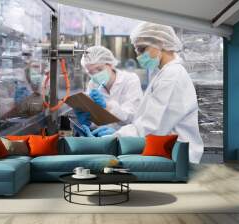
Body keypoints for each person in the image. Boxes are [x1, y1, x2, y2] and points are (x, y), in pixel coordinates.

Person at [83, 22, 204, 163]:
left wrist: (116, 136)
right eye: (137, 51)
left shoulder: (172, 76)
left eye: (142, 49)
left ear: (160, 41)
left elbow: (152, 126)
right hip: (167, 150)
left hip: (174, 155)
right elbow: (147, 120)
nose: (139, 56)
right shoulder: (163, 74)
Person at [75, 46, 143, 136]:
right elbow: (97, 120)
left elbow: (132, 116)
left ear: (110, 64)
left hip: (127, 139)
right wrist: (87, 122)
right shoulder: (93, 84)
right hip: (104, 138)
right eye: (91, 73)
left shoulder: (130, 80)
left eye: (99, 69)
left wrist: (108, 106)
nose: (96, 75)